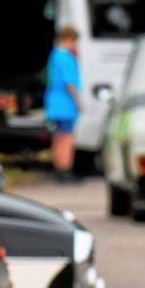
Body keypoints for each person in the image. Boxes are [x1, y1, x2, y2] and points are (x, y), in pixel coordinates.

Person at [45, 26, 82, 183]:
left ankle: (58, 168)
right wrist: (79, 101)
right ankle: (66, 169)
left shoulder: (54, 56)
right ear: (69, 40)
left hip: (54, 102)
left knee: (58, 137)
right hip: (66, 104)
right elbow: (70, 84)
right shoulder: (66, 57)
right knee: (67, 138)